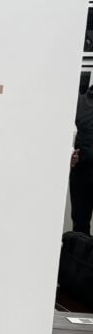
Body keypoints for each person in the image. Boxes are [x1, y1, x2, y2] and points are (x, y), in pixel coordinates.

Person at [72, 87, 93, 234]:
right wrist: (70, 153)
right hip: (81, 173)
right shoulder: (79, 102)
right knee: (80, 226)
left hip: (82, 168)